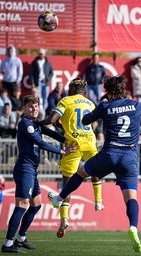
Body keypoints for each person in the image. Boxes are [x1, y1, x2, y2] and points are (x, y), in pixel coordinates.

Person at [48, 75, 141, 253]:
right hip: (130, 157)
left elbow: (85, 121)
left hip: (109, 154)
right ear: (124, 90)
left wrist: (97, 111)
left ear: (107, 91)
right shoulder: (136, 105)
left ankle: (59, 198)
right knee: (131, 198)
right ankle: (133, 226)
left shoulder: (106, 106)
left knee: (80, 173)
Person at [1, 95, 76, 253]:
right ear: (24, 108)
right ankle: (7, 244)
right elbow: (41, 143)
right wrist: (63, 151)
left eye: (36, 106)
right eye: (30, 106)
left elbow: (52, 134)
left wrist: (69, 139)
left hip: (32, 170)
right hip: (24, 169)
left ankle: (21, 239)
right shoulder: (25, 124)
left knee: (36, 205)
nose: (34, 109)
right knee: (22, 205)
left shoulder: (36, 123)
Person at [40, 78, 104, 238]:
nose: (67, 90)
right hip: (90, 142)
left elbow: (51, 120)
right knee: (95, 169)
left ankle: (64, 220)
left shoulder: (66, 101)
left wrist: (37, 123)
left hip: (73, 145)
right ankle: (98, 201)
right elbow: (95, 124)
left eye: (69, 87)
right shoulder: (90, 103)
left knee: (67, 183)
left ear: (74, 88)